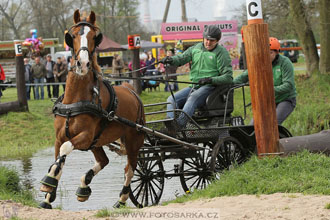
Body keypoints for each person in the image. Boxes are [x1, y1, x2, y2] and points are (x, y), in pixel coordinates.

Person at [161, 25, 233, 128]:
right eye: (206, 39)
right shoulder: (195, 48)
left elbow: (228, 77)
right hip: (194, 86)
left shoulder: (222, 53)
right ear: (203, 37)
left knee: (193, 98)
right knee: (171, 99)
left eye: (212, 41)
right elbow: (182, 58)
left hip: (210, 87)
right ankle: (170, 127)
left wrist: (210, 80)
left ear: (217, 40)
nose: (208, 42)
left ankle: (178, 126)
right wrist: (171, 60)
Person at [233, 37, 297, 125]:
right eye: (265, 52)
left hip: (285, 99)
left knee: (273, 124)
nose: (267, 55)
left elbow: (288, 85)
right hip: (267, 99)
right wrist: (229, 84)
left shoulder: (285, 63)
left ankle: (278, 138)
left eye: (270, 53)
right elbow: (244, 76)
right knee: (253, 125)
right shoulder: (259, 63)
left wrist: (269, 90)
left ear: (276, 52)